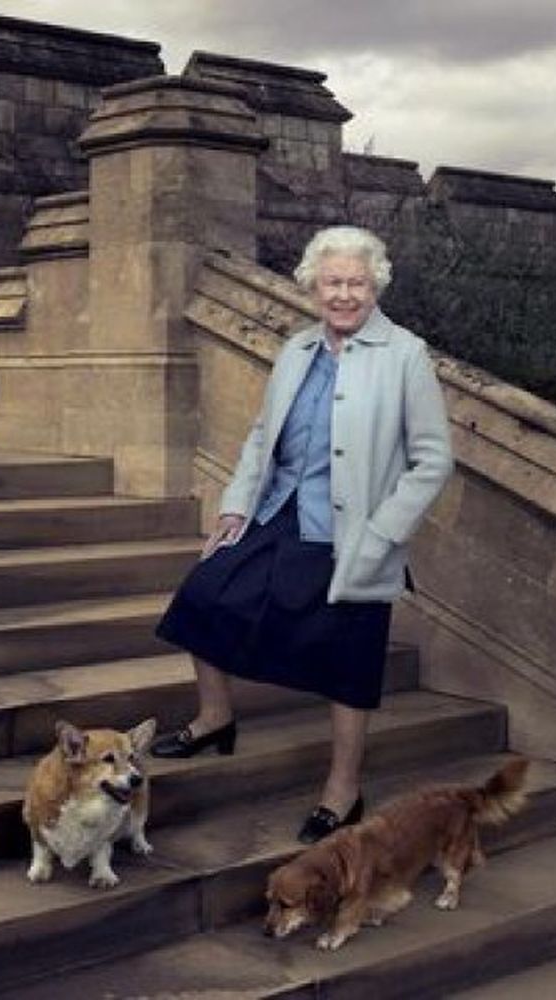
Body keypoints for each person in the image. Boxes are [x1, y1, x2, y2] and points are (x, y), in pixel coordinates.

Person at [150, 225, 454, 844]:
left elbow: (433, 459)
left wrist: (383, 534)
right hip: (279, 511)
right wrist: (236, 507)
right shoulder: (297, 350)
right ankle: (215, 718)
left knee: (348, 660)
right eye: (332, 283)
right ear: (313, 287)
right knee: (203, 597)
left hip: (353, 533)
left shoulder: (405, 355)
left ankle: (343, 791)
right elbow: (264, 436)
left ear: (376, 287)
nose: (343, 295)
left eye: (356, 284)